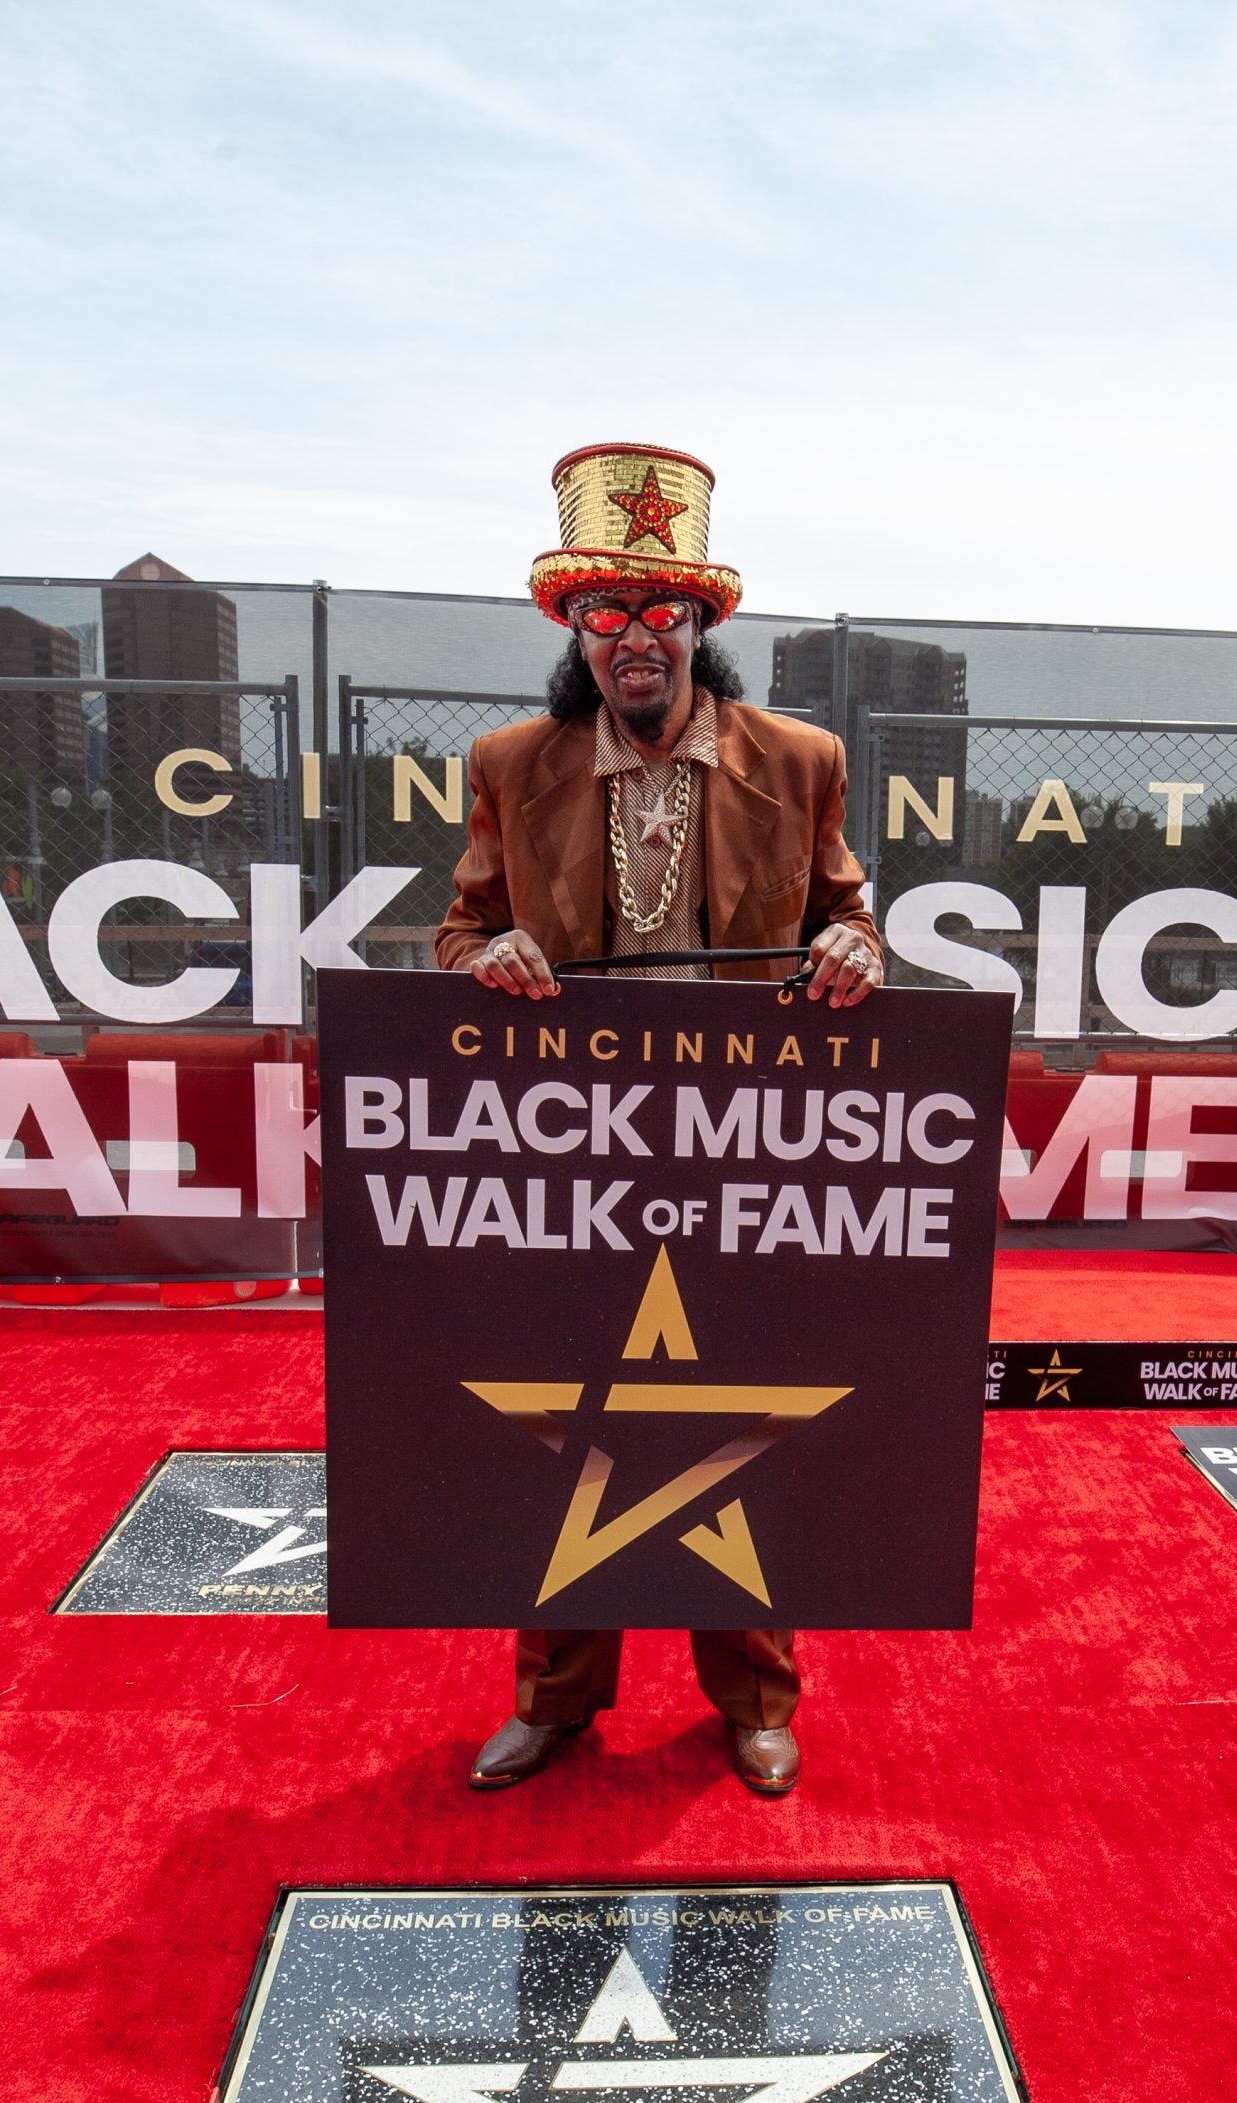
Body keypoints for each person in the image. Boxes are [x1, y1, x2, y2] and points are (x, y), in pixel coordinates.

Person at [435, 440, 884, 1798]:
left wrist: (859, 953)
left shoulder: (799, 759)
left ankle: (754, 1698)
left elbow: (845, 917)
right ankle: (557, 1701)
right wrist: (493, 952)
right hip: (571, 1154)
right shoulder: (510, 763)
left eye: (658, 612)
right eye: (605, 614)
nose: (634, 638)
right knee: (571, 1425)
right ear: (574, 633)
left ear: (699, 627)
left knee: (728, 1422)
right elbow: (458, 932)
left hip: (740, 1150)